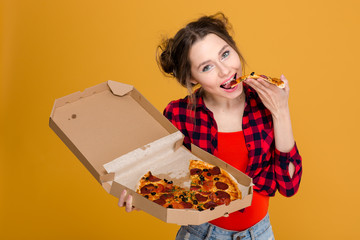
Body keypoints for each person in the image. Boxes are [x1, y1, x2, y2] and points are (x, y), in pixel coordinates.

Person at [119, 12, 302, 240]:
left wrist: (281, 111)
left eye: (225, 54)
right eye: (207, 67)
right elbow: (162, 177)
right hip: (201, 234)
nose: (225, 71)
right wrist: (141, 196)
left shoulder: (266, 100)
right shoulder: (179, 114)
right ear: (191, 78)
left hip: (261, 233)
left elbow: (289, 185)